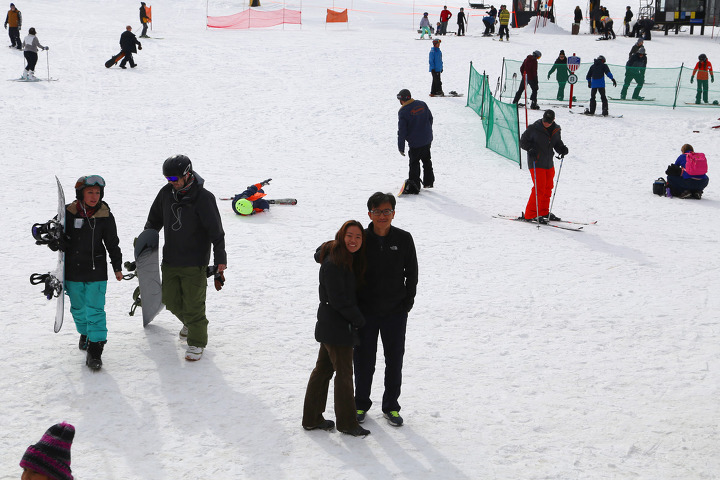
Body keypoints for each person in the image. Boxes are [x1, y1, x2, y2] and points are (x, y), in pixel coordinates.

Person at [144, 155, 227, 361]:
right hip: (171, 259)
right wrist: (146, 241)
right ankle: (191, 324)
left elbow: (216, 232)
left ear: (187, 174)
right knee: (170, 299)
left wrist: (220, 260)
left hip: (194, 262)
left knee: (194, 304)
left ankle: (197, 342)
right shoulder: (166, 194)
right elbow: (154, 220)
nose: (171, 182)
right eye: (167, 179)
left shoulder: (204, 198)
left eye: (174, 178)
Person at [354, 192, 418, 427]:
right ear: (369, 213)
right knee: (363, 360)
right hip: (365, 313)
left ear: (393, 213)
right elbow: (341, 249)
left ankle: (391, 406)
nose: (383, 216)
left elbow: (411, 273)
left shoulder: (403, 238)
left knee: (394, 360)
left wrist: (407, 303)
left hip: (395, 313)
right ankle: (360, 403)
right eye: (378, 211)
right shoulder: (361, 238)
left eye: (387, 211)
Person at [302, 220, 370, 437]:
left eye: (358, 237)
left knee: (323, 370)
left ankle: (312, 418)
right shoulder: (334, 262)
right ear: (341, 236)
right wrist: (359, 320)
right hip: (338, 326)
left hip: (332, 325)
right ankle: (347, 423)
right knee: (343, 374)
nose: (354, 240)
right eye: (350, 235)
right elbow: (338, 300)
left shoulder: (345, 258)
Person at [64, 175, 123, 370]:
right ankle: (85, 333)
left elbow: (112, 244)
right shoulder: (68, 214)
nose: (94, 196)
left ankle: (95, 349)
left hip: (96, 271)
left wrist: (117, 266)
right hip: (73, 271)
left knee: (96, 310)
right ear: (81, 193)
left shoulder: (105, 215)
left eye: (97, 192)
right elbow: (58, 238)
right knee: (78, 309)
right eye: (90, 192)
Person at [518, 109, 569, 222]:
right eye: (545, 120)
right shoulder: (533, 128)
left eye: (549, 121)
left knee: (548, 187)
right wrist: (530, 148)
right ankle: (530, 214)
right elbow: (522, 141)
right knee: (539, 188)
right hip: (536, 162)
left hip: (548, 163)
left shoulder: (556, 129)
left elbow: (556, 143)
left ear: (553, 120)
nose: (546, 123)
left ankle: (543, 211)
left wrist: (562, 149)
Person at [397, 88, 434, 194]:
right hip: (427, 139)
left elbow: (402, 131)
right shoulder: (422, 104)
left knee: (414, 163)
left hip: (415, 143)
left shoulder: (403, 111)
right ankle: (429, 182)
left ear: (401, 100)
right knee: (427, 160)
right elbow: (430, 118)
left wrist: (401, 147)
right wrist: (427, 131)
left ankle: (414, 185)